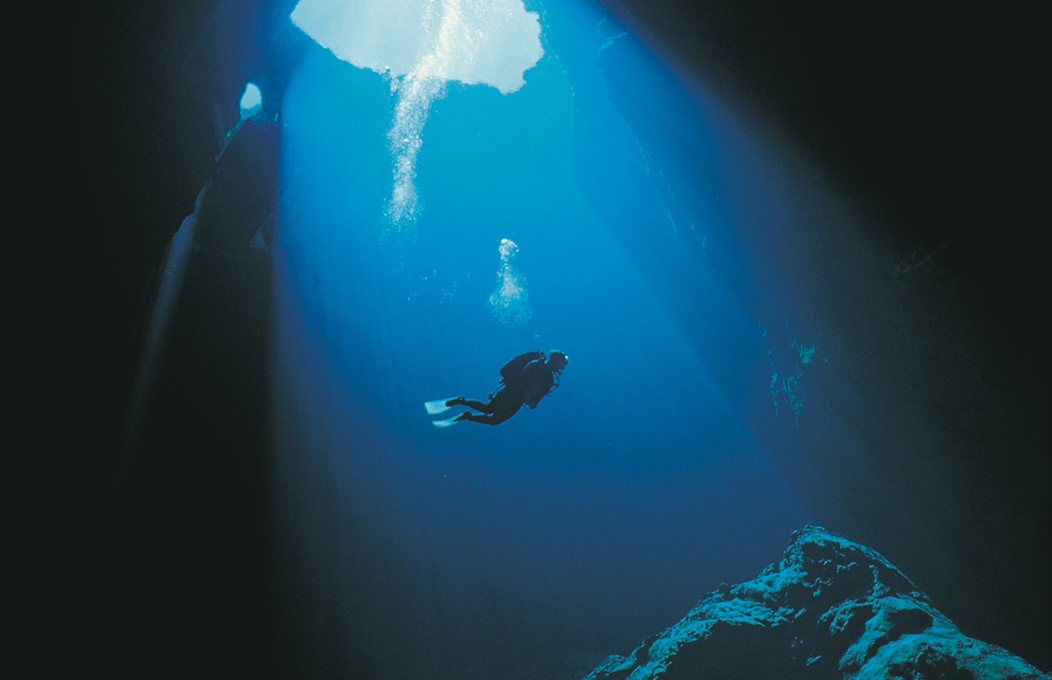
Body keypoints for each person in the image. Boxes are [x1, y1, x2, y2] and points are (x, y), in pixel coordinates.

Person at [445, 350, 569, 426]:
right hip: (517, 398)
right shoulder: (545, 373)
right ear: (555, 360)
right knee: (493, 419)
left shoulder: (538, 363)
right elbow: (537, 399)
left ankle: (462, 402)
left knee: (488, 409)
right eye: (561, 364)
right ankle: (467, 415)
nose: (561, 368)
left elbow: (537, 398)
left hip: (511, 390)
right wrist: (531, 401)